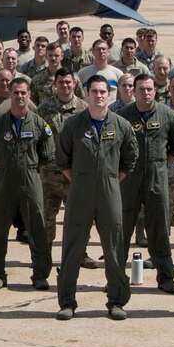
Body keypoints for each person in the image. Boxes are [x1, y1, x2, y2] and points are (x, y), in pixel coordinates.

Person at [52, 74, 140, 320]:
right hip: (79, 192)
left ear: (109, 94)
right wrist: (82, 180)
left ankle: (116, 301)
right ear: (87, 94)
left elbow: (130, 159)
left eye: (103, 92)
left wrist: (110, 180)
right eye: (94, 92)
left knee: (113, 248)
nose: (99, 96)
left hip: (110, 193)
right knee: (72, 248)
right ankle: (67, 302)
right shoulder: (73, 125)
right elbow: (62, 159)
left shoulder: (121, 125)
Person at [0, 76, 57, 291]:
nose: (20, 96)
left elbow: (47, 155)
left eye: (23, 93)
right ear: (10, 94)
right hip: (4, 178)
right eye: (15, 92)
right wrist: (8, 167)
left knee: (36, 226)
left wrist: (28, 168)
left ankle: (40, 274)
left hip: (31, 178)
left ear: (29, 95)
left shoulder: (39, 124)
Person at [118, 72, 174, 296]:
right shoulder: (122, 116)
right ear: (133, 91)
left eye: (149, 89)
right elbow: (117, 148)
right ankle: (116, 278)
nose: (146, 93)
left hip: (157, 180)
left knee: (160, 230)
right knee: (122, 229)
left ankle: (166, 277)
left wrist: (158, 164)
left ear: (155, 90)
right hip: (129, 181)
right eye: (141, 89)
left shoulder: (167, 115)